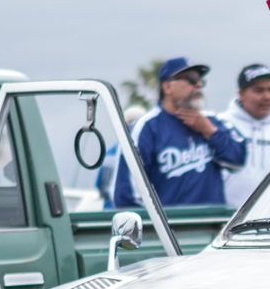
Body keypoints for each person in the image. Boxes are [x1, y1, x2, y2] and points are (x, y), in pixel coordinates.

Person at [105, 57, 247, 208]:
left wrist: (210, 132)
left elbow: (237, 160)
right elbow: (126, 194)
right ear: (167, 87)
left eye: (200, 80)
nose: (198, 84)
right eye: (191, 79)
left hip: (211, 226)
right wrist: (159, 227)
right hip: (171, 227)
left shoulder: (212, 121)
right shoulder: (146, 127)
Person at [219, 64, 270, 210]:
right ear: (241, 94)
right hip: (225, 220)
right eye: (258, 90)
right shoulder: (221, 126)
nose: (267, 97)